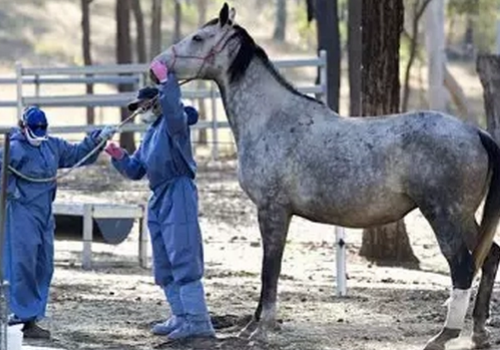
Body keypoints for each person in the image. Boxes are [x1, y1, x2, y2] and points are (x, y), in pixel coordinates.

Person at [104, 61, 215, 340]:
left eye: (142, 105)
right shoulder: (150, 135)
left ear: (155, 103)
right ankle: (180, 315)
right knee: (164, 260)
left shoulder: (173, 124)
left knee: (183, 253)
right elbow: (135, 170)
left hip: (178, 192)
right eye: (136, 108)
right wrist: (118, 156)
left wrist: (168, 84)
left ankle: (198, 320)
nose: (138, 111)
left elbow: (177, 111)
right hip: (159, 196)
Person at [2, 106, 116, 339]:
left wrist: (98, 139)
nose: (39, 133)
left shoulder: (51, 145)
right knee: (21, 264)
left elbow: (77, 153)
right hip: (21, 212)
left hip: (44, 214)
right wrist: (12, 191)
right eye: (35, 129)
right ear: (24, 127)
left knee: (43, 265)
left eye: (43, 129)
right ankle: (21, 318)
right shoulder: (11, 150)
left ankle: (32, 315)